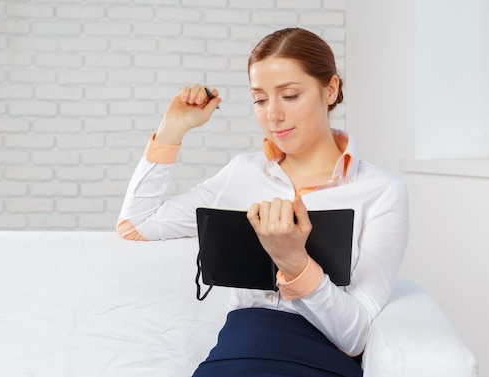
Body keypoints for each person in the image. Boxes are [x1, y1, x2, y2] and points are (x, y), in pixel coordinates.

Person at [116, 27, 409, 376]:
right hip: (237, 352)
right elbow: (136, 225)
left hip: (319, 362)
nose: (273, 115)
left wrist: (295, 263)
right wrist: (172, 130)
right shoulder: (241, 173)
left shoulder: (381, 190)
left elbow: (356, 336)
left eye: (289, 95)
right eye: (259, 99)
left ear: (329, 90)